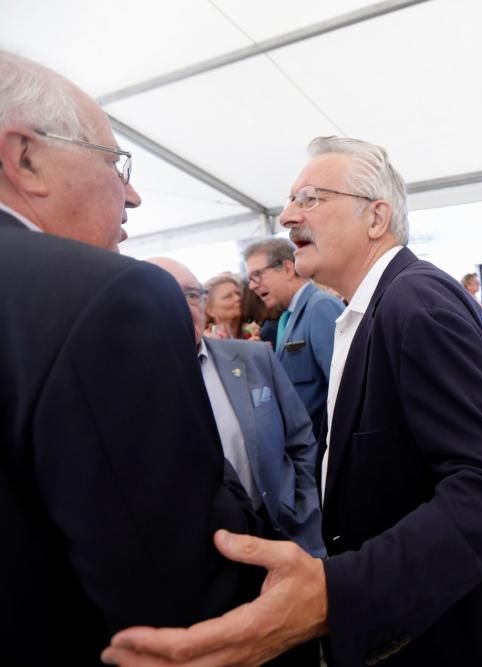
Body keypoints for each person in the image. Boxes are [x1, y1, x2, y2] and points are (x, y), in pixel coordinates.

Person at [105, 136, 482, 667]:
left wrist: (338, 591)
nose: (289, 217)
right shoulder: (377, 306)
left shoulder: (416, 304)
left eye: (310, 198)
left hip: (452, 624)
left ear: (376, 217)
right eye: (291, 200)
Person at [0, 50, 260, 665]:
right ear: (25, 158)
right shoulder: (109, 295)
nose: (135, 195)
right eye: (116, 163)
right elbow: (182, 602)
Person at [149, 257, 325, 558]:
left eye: (192, 295)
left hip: (281, 534)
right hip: (197, 557)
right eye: (165, 295)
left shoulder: (253, 357)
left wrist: (301, 509)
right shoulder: (133, 380)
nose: (183, 306)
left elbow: (300, 439)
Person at [244, 238, 345, 443]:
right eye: (250, 279)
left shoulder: (320, 307)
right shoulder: (287, 317)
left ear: (288, 268)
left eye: (257, 275)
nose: (253, 286)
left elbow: (344, 389)